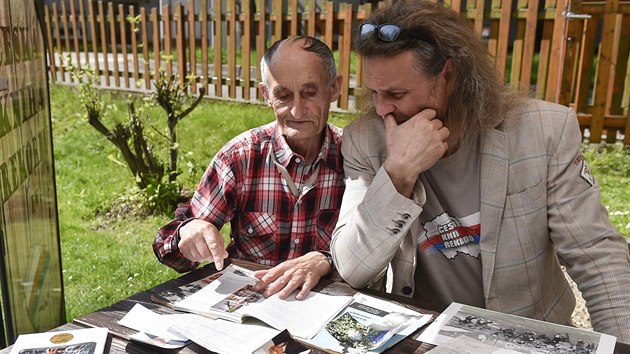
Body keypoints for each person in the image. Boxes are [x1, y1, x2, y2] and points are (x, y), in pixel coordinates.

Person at [330, 0, 630, 342]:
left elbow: (597, 256)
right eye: (374, 92)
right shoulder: (367, 140)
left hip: (526, 339)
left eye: (396, 93)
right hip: (427, 338)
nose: (382, 109)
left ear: (449, 75)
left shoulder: (543, 131)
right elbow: (351, 268)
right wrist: (398, 172)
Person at [153, 36, 345, 300]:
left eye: (310, 92)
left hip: (325, 306)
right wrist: (189, 234)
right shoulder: (241, 156)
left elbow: (373, 255)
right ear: (266, 95)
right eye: (283, 95)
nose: (297, 110)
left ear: (334, 88)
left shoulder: (356, 158)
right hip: (251, 306)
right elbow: (170, 248)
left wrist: (326, 260)